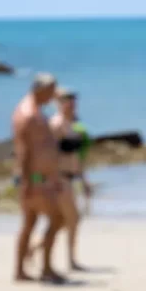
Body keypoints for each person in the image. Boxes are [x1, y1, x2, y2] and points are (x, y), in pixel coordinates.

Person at [11, 73, 66, 283]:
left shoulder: (35, 111)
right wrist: (26, 181)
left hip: (39, 178)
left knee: (30, 223)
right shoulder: (28, 114)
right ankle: (46, 268)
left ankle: (21, 270)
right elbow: (23, 151)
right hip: (35, 180)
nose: (53, 96)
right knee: (57, 218)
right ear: (40, 90)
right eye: (51, 91)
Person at [49, 87, 92, 271]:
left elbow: (77, 158)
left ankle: (70, 259)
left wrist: (84, 181)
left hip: (71, 178)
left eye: (74, 102)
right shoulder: (55, 125)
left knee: (66, 220)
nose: (72, 105)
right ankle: (69, 260)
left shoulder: (73, 125)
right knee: (70, 219)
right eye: (68, 101)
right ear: (59, 104)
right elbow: (48, 155)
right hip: (59, 179)